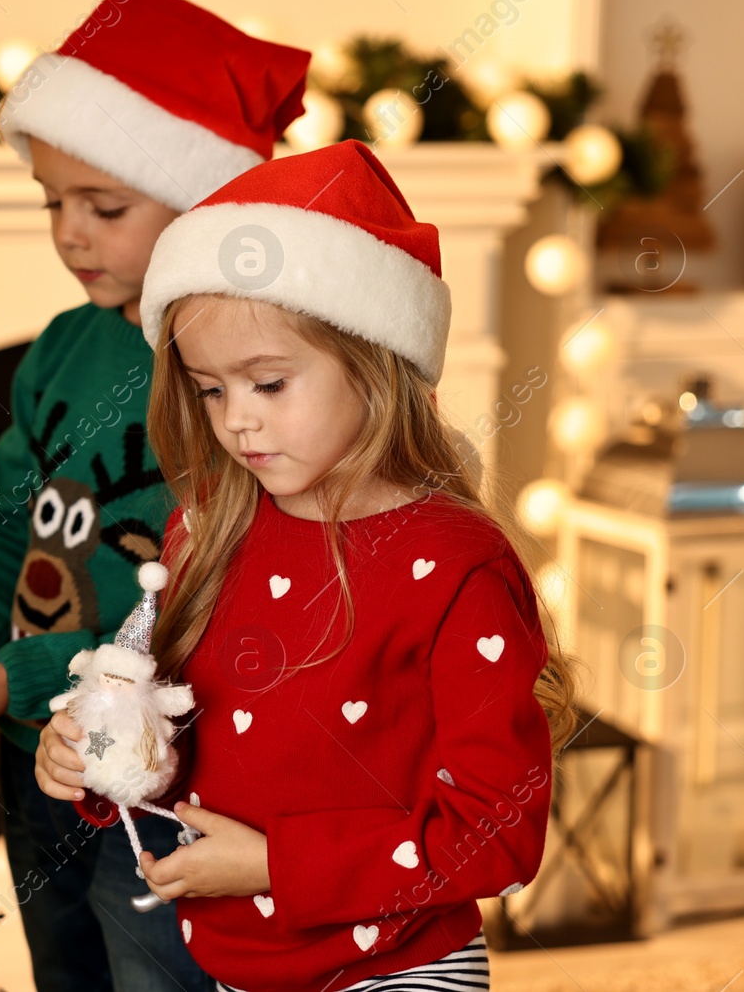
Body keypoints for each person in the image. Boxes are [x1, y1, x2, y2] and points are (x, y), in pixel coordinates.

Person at [34, 140, 579, 992]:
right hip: (237, 964)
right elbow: (168, 734)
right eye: (211, 390)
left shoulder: (456, 566)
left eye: (269, 383)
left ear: (375, 363)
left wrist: (274, 865)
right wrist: (85, 755)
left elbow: (497, 833)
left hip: (401, 965)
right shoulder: (206, 528)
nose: (236, 422)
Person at [0, 0, 310, 992]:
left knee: (152, 970)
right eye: (53, 203)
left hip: (157, 774)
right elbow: (4, 530)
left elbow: (197, 622)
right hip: (41, 763)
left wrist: (13, 682)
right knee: (61, 964)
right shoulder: (59, 351)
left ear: (204, 200)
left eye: (103, 206)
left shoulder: (226, 381)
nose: (69, 233)